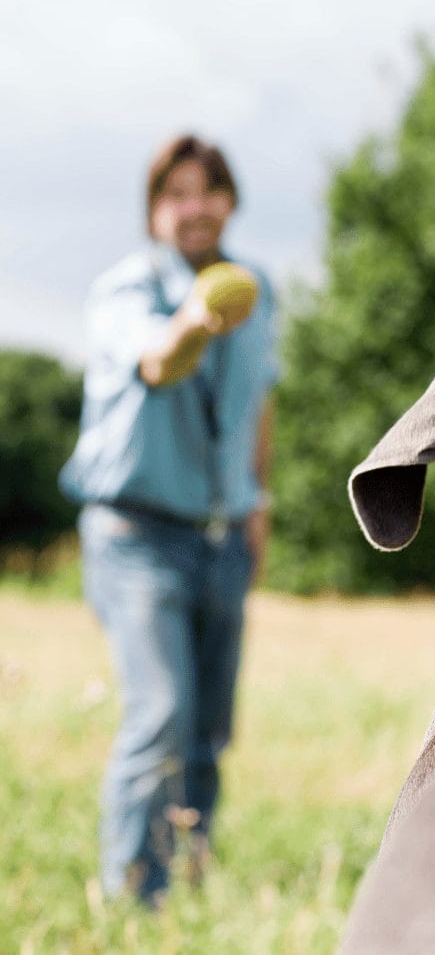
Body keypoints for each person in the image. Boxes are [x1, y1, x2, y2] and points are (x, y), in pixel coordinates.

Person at [60, 134, 278, 905]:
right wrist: (194, 319)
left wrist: (258, 501)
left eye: (209, 189)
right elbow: (157, 361)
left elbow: (260, 398)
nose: (196, 206)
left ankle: (188, 872)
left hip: (222, 535)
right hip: (136, 536)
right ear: (155, 211)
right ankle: (130, 898)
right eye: (177, 193)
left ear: (230, 201)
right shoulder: (126, 290)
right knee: (160, 712)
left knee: (209, 727)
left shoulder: (258, 288)